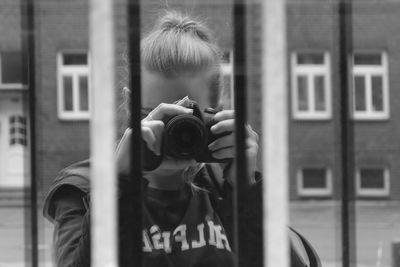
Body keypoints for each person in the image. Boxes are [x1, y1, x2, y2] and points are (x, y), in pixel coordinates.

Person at [43, 11, 320, 267]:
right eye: (155, 114)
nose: (172, 132)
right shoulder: (82, 188)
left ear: (215, 110)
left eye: (186, 118)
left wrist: (244, 193)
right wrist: (118, 187)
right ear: (129, 104)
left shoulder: (222, 186)